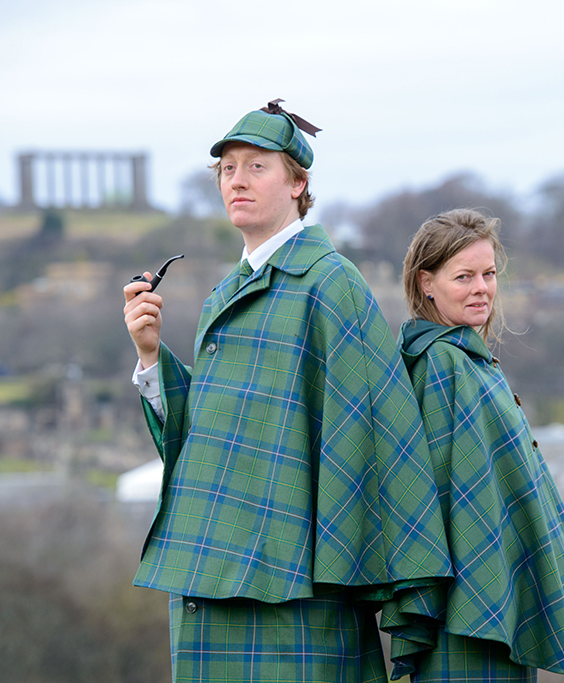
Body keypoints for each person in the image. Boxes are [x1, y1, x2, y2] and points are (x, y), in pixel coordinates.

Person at [122, 100, 451, 682]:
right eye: (226, 169)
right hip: (208, 579)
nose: (237, 180)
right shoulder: (224, 293)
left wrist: (349, 575)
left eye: (256, 166)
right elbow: (204, 439)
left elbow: (375, 436)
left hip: (294, 598)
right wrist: (150, 353)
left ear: (299, 183)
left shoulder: (331, 283)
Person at [382, 209, 564, 682]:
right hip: (472, 607)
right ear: (426, 283)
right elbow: (443, 501)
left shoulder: (468, 361)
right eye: (464, 277)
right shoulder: (442, 366)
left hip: (488, 601)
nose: (482, 288)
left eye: (489, 274)